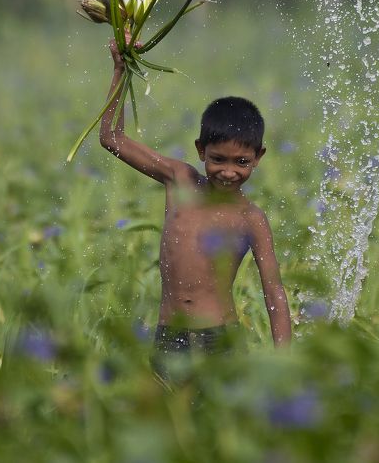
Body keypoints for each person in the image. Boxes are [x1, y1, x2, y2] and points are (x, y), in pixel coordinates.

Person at [99, 38, 292, 380]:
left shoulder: (251, 218)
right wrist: (120, 68)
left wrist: (284, 361)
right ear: (201, 150)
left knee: (219, 427)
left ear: (258, 158)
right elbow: (112, 139)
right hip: (168, 338)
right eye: (218, 159)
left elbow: (273, 289)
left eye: (242, 162)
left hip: (220, 341)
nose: (228, 171)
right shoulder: (180, 182)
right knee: (169, 426)